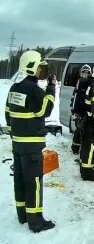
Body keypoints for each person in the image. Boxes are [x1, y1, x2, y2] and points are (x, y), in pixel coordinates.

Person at [5, 51, 56, 232]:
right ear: (32, 67)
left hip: (17, 144)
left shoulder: (14, 88)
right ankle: (36, 222)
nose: (41, 71)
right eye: (39, 68)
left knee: (19, 180)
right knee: (33, 182)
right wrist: (51, 88)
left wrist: (14, 134)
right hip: (32, 145)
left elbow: (7, 114)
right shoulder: (34, 89)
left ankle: (23, 215)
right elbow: (46, 110)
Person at [70, 65, 92, 155]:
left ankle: (84, 150)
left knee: (87, 131)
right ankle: (75, 148)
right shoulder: (79, 82)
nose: (85, 74)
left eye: (87, 72)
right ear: (81, 73)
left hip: (88, 110)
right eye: (84, 72)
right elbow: (75, 98)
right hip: (79, 111)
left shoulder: (91, 82)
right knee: (79, 130)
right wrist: (75, 111)